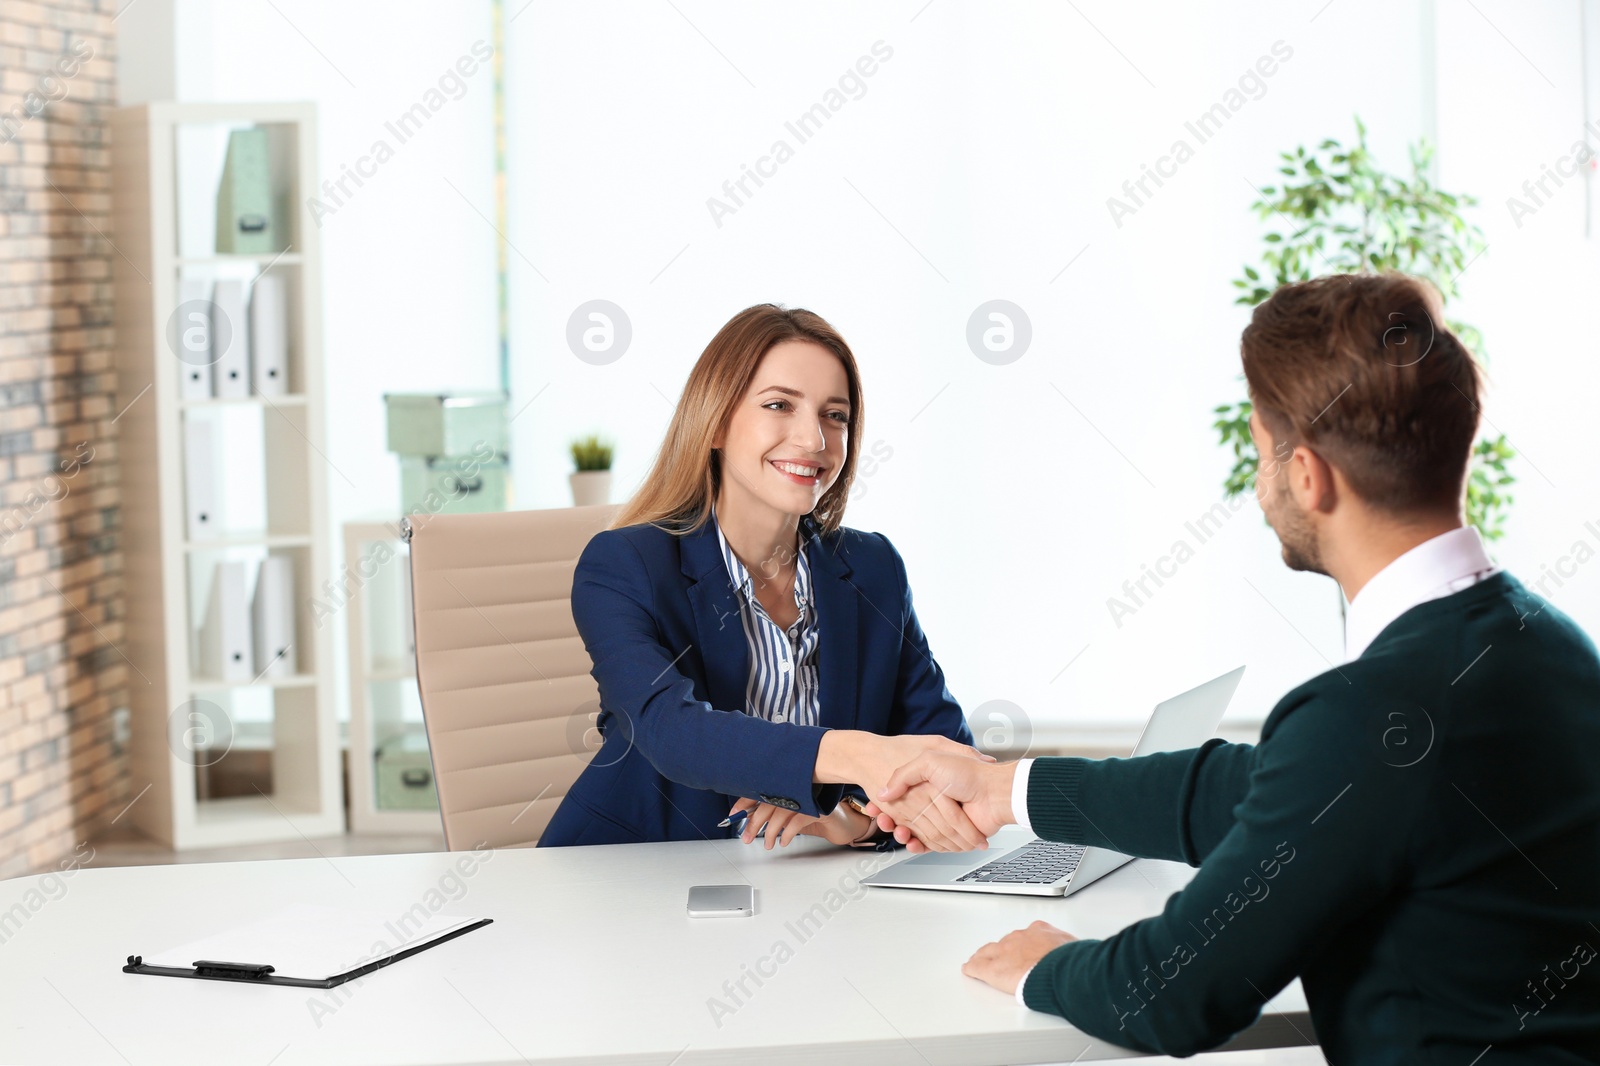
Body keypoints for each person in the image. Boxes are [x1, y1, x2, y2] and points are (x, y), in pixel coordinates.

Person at [865, 274, 1600, 1061]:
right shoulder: (1553, 647)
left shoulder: (1374, 709)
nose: (1259, 486)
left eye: (1260, 454)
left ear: (1309, 475)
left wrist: (1048, 965)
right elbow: (1258, 789)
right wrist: (1002, 787)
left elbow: (1172, 993)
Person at [540, 303, 991, 851]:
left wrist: (855, 817)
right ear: (716, 424)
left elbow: (947, 758)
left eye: (835, 415)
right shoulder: (625, 564)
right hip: (634, 882)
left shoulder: (873, 569)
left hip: (807, 889)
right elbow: (670, 730)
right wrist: (862, 755)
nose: (814, 440)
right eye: (780, 405)